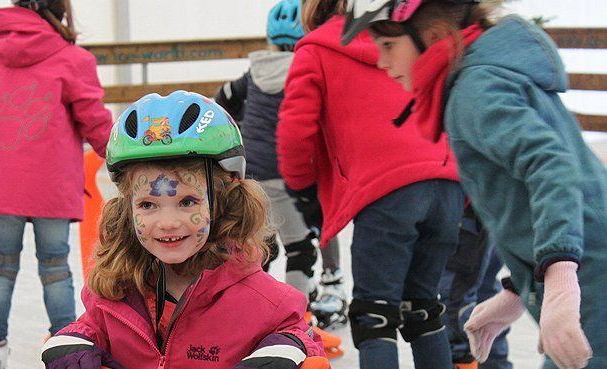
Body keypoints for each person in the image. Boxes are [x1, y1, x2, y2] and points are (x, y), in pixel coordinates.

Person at [342, 0, 607, 368]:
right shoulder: (489, 75)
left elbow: (553, 166)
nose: (381, 61)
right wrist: (518, 290)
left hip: (590, 278)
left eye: (389, 45)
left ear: (432, 37)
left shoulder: (474, 91)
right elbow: (535, 192)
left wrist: (561, 276)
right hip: (585, 268)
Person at [40, 91, 327, 369]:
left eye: (187, 201)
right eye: (148, 205)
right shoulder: (117, 293)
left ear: (223, 202)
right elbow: (92, 328)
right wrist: (73, 341)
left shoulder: (264, 302)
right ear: (127, 209)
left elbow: (303, 335)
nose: (167, 222)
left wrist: (286, 347)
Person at [278, 0, 463, 368]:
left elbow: (294, 131)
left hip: (387, 191)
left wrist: (302, 188)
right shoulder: (404, 35)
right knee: (423, 308)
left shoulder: (316, 48)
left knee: (373, 316)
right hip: (447, 185)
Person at [0, 0, 113, 367]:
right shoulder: (72, 59)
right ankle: (65, 345)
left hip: (4, 184)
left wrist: (6, 139)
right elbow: (93, 118)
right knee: (55, 269)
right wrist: (119, 154)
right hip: (53, 184)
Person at [213, 0, 348, 335]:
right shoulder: (309, 66)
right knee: (301, 247)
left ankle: (252, 307)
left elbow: (223, 98)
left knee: (263, 244)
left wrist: (242, 126)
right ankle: (296, 320)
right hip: (288, 172)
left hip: (250, 170)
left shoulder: (254, 72)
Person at [438, 206, 511, 369]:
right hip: (491, 210)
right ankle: (492, 364)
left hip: (469, 211)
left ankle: (465, 361)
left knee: (455, 304)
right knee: (484, 298)